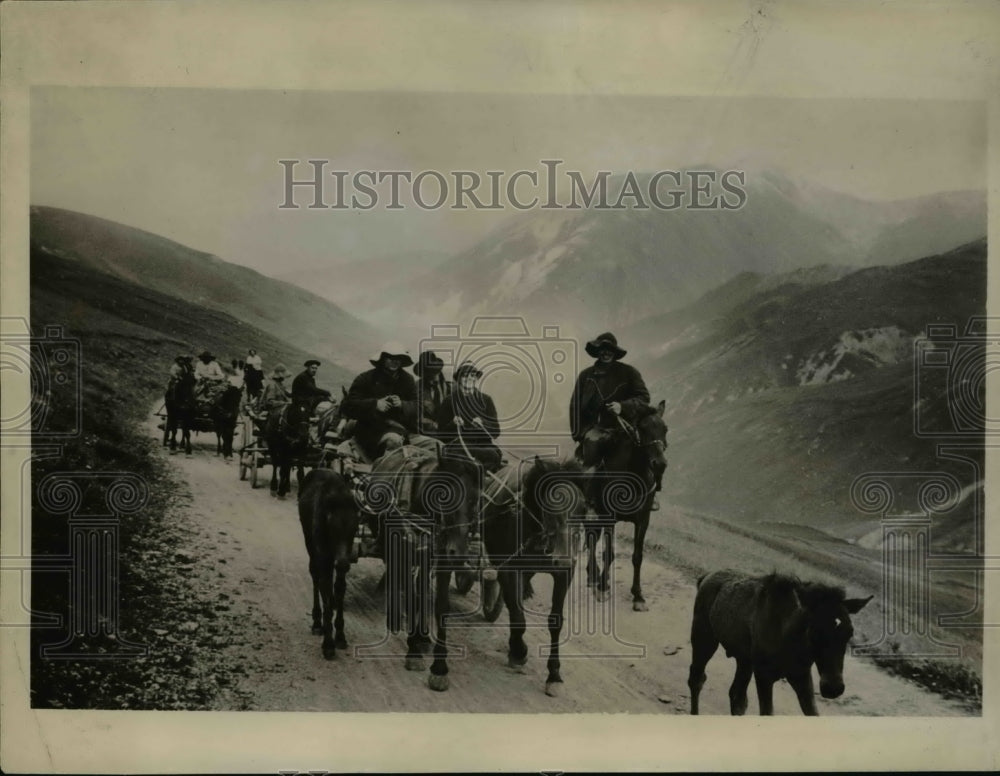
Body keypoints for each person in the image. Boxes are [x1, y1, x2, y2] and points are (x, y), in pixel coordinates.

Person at [569, 331, 658, 510]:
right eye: (602, 349)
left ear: (615, 352)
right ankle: (588, 502)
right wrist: (580, 434)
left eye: (609, 350)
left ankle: (649, 496)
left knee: (648, 455)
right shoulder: (586, 376)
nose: (605, 353)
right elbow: (574, 407)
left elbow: (643, 397)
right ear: (597, 351)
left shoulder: (629, 372)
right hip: (595, 429)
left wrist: (622, 406)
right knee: (589, 460)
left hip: (625, 429)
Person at [339, 343, 418, 461]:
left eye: (398, 358)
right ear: (382, 359)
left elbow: (418, 406)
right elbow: (348, 405)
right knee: (393, 441)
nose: (394, 361)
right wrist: (375, 404)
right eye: (390, 358)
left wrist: (403, 404)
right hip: (369, 431)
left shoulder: (408, 380)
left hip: (401, 430)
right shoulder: (366, 378)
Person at [436, 361, 502, 472]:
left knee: (493, 454)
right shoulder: (449, 401)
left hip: (483, 445)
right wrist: (453, 424)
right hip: (459, 445)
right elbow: (441, 435)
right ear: (459, 379)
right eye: (464, 375)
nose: (469, 378)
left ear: (476, 378)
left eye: (472, 375)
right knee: (460, 456)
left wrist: (483, 424)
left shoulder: (486, 400)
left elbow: (496, 431)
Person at [413, 350, 450, 438]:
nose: (435, 377)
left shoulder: (448, 387)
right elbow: (415, 416)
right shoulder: (416, 388)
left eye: (436, 372)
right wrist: (431, 424)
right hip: (426, 432)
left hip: (447, 431)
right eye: (429, 373)